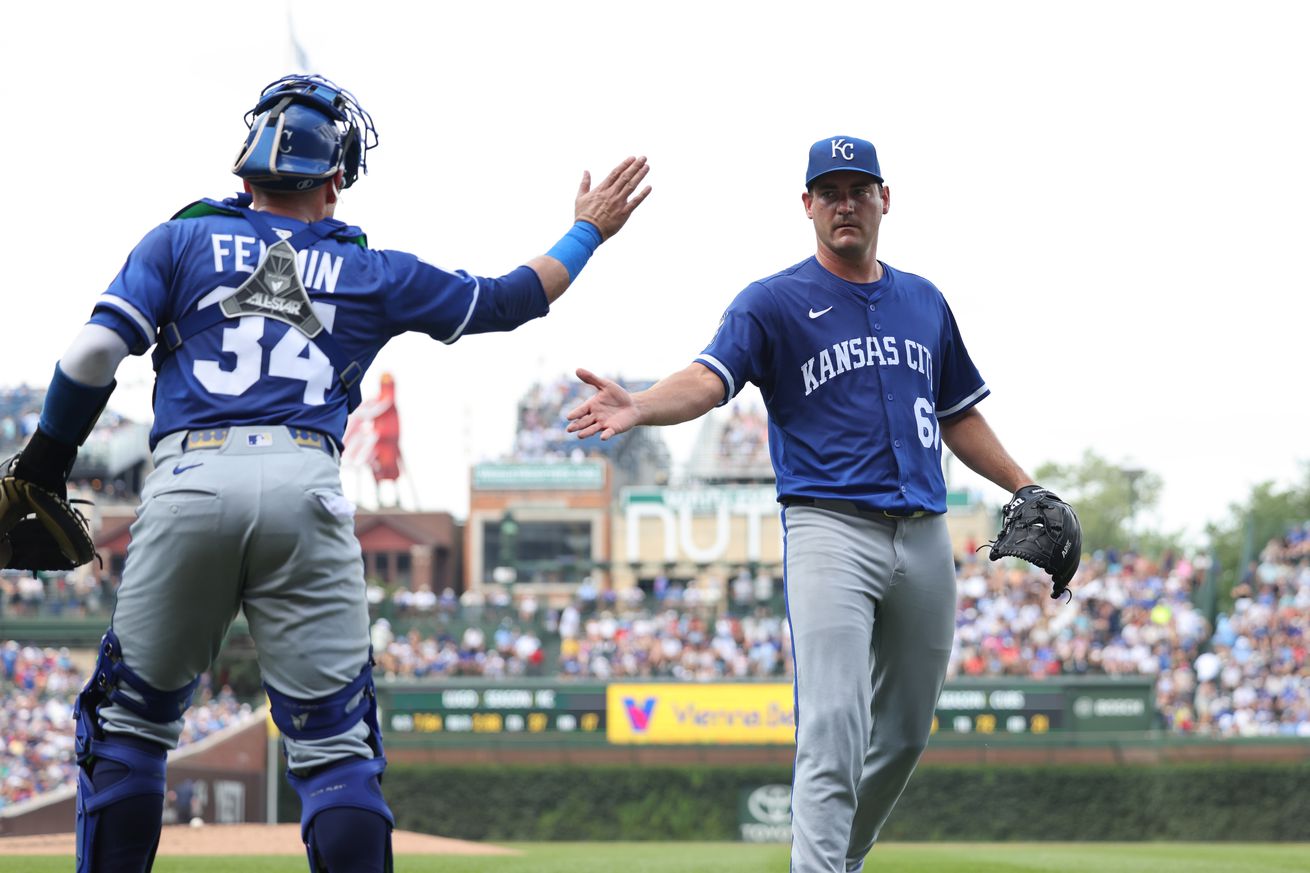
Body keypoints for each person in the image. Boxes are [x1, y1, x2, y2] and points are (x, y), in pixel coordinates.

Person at [4, 74, 649, 873]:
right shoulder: (370, 268)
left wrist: (45, 463)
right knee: (337, 751)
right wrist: (587, 229)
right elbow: (512, 298)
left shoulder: (179, 240)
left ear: (243, 174)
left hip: (188, 479)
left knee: (131, 729)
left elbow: (92, 355)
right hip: (307, 484)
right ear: (334, 183)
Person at [567, 135, 1057, 872]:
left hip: (926, 532)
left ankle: (841, 856)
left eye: (858, 188)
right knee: (833, 722)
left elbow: (957, 413)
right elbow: (709, 376)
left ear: (885, 198)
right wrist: (639, 406)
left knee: (905, 732)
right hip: (830, 526)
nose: (845, 203)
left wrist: (1025, 486)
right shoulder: (774, 302)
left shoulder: (924, 300)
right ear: (807, 206)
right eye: (829, 191)